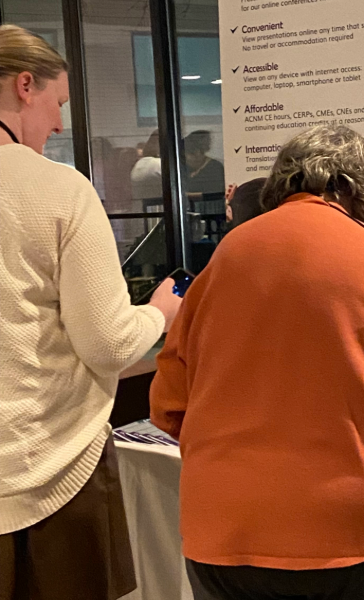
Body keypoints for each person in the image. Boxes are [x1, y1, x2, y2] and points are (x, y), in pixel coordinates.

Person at [150, 125, 364, 600]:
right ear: (361, 191)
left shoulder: (221, 260)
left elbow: (167, 405)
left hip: (225, 528)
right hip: (359, 529)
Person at [0, 25, 183, 600]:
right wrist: (160, 312)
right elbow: (107, 343)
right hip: (48, 470)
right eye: (57, 103)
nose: (58, 125)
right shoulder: (58, 189)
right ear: (24, 86)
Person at [184, 130, 225, 196]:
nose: (197, 156)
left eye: (201, 152)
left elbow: (217, 194)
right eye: (191, 153)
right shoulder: (181, 168)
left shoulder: (215, 167)